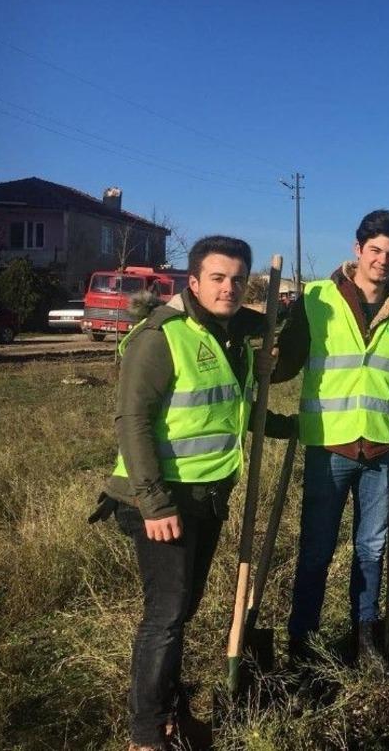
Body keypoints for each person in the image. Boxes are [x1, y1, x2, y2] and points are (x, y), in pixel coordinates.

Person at [91, 235, 294, 751]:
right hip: (161, 499)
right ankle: (146, 735)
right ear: (195, 281)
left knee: (183, 608)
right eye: (218, 278)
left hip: (207, 495)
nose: (228, 288)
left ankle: (171, 711)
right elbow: (131, 422)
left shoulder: (226, 335)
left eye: (237, 280)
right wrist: (155, 503)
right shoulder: (161, 336)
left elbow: (228, 409)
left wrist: (281, 426)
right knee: (166, 614)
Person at [272, 209, 389, 668]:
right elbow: (289, 362)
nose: (382, 260)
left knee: (372, 549)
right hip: (328, 446)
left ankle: (366, 643)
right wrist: (264, 362)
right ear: (357, 249)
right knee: (316, 550)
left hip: (382, 450)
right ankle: (303, 647)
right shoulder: (318, 298)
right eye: (375, 250)